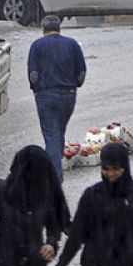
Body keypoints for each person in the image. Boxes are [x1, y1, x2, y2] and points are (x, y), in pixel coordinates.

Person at [28, 14, 86, 180]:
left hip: (46, 95)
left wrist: (36, 90)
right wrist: (74, 85)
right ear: (59, 28)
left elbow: (33, 75)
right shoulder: (72, 44)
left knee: (52, 136)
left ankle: (55, 179)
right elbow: (81, 73)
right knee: (58, 133)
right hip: (69, 96)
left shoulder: (37, 46)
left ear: (43, 29)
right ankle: (50, 172)